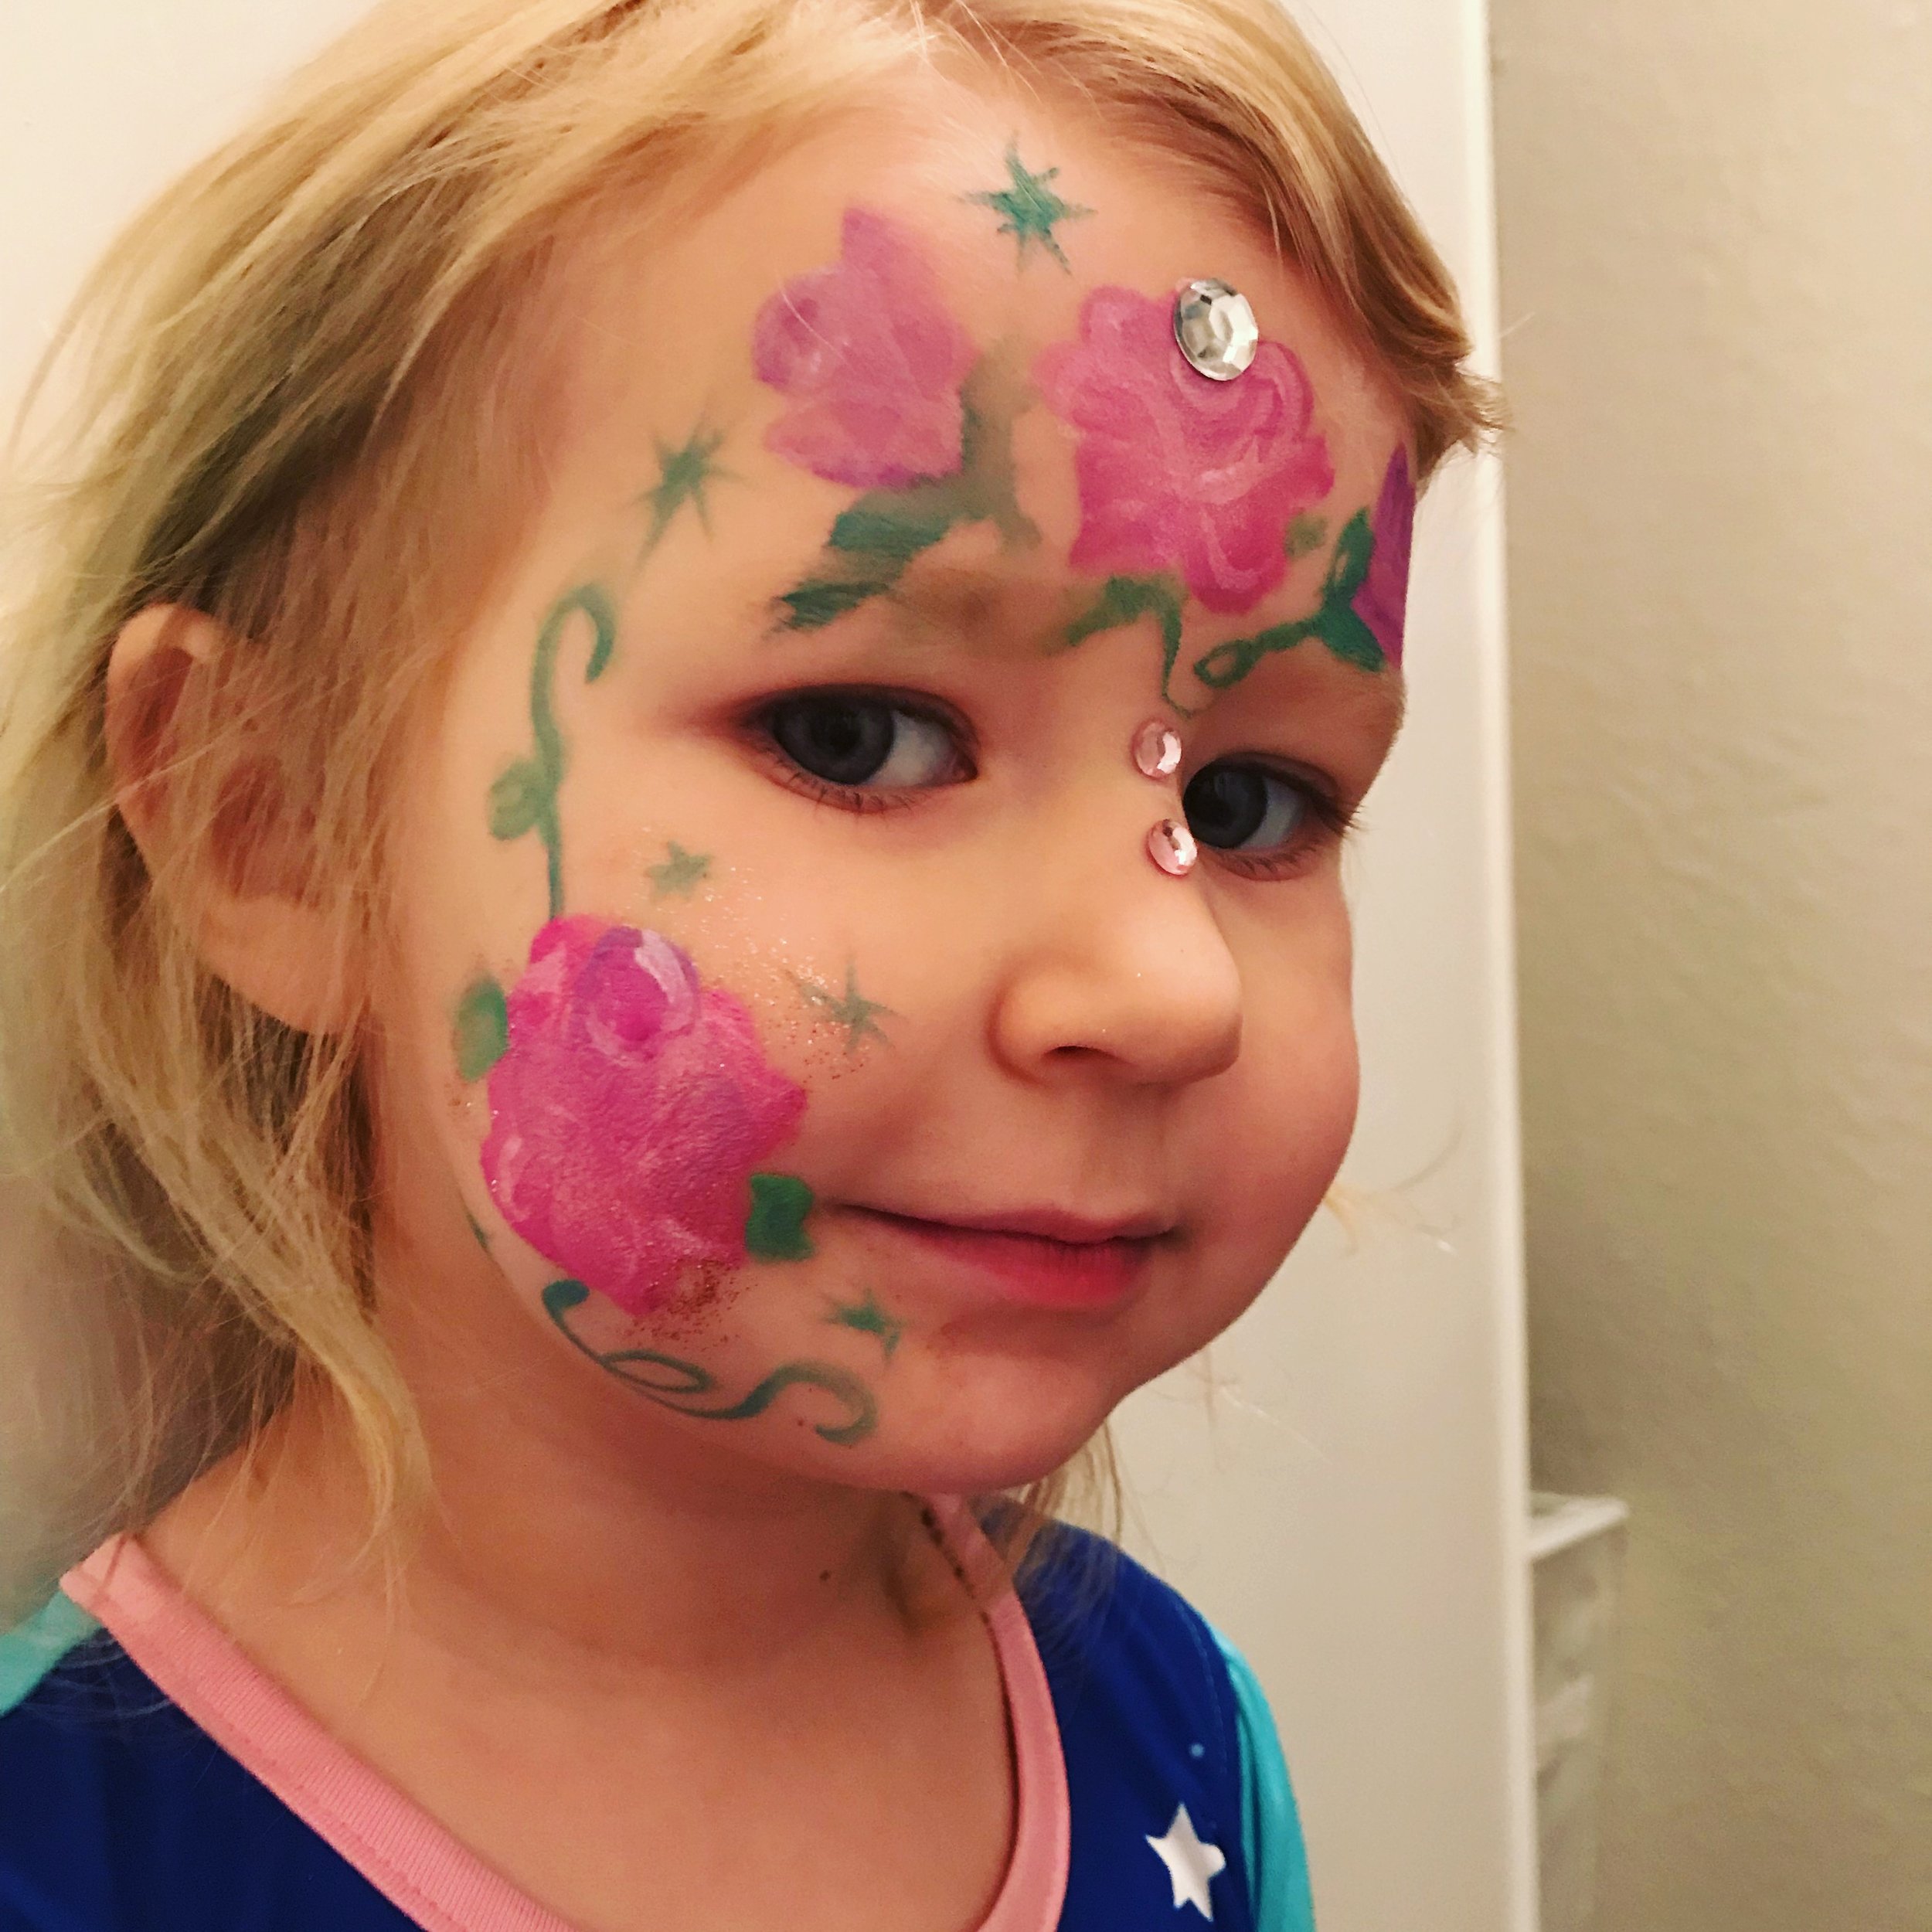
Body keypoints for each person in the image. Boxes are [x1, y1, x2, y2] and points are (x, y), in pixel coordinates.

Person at [0, 1, 1494, 1925]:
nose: (1168, 978)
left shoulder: (1168, 1717)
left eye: (1257, 796)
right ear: (268, 825)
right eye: (861, 734)